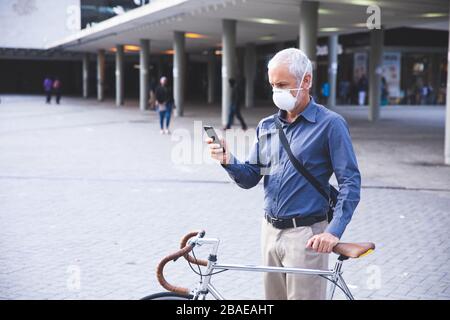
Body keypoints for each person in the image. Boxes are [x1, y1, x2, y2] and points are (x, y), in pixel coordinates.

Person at [206, 48, 361, 300]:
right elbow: (250, 177)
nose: (276, 91)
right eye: (272, 85)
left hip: (307, 235)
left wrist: (333, 232)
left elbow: (350, 183)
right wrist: (228, 160)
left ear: (306, 81)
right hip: (269, 231)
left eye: (282, 84)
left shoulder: (331, 124)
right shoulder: (267, 125)